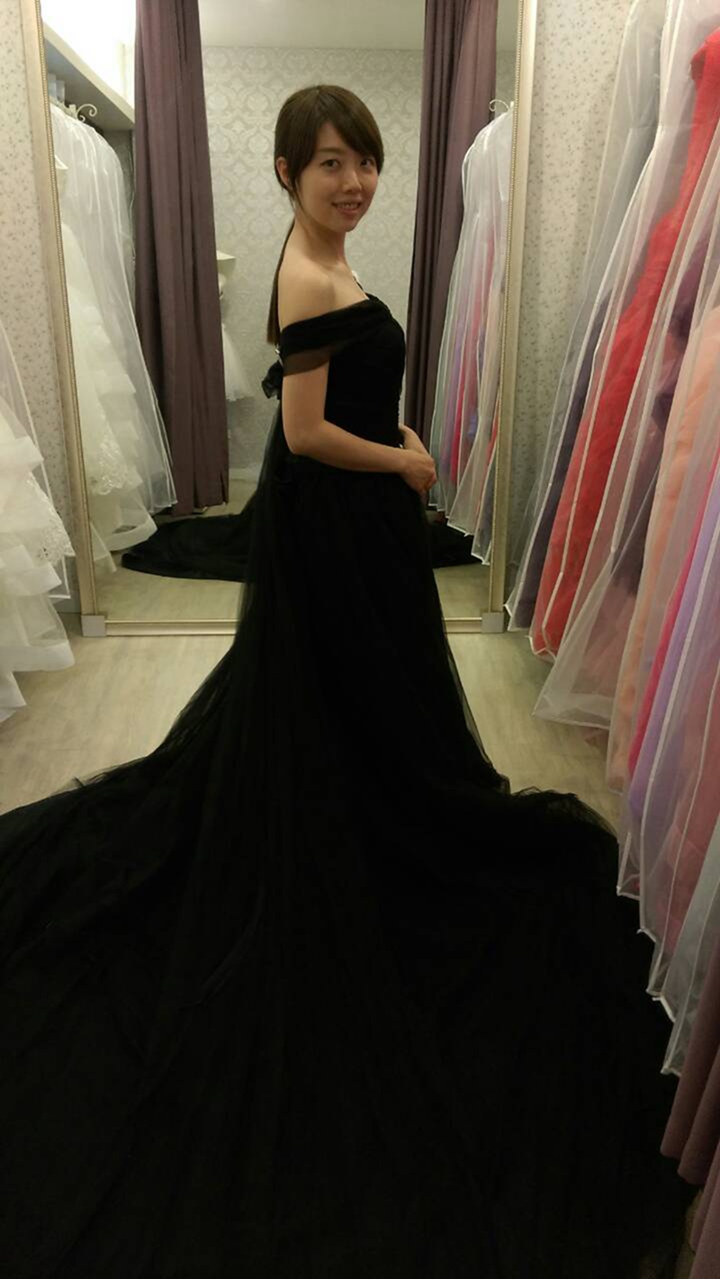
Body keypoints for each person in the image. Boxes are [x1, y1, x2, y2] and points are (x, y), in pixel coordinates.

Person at [0, 85, 692, 1278]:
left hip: (345, 518)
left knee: (356, 703)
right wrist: (407, 461)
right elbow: (309, 431)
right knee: (351, 697)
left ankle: (372, 811)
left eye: (364, 161)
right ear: (287, 172)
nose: (354, 181)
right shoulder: (311, 277)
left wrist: (392, 453)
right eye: (331, 164)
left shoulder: (323, 259)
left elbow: (323, 412)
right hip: (336, 514)